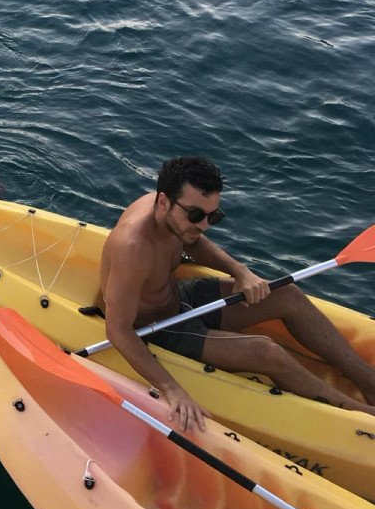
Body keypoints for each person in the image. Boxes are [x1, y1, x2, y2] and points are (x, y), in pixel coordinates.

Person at [101, 155, 375, 433]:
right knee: (267, 352)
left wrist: (239, 271)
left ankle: (370, 382)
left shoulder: (175, 217)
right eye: (196, 215)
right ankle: (362, 417)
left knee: (286, 294)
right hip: (157, 328)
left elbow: (193, 242)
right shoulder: (133, 247)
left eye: (213, 216)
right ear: (163, 201)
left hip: (178, 296)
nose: (204, 224)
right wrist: (172, 390)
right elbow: (118, 331)